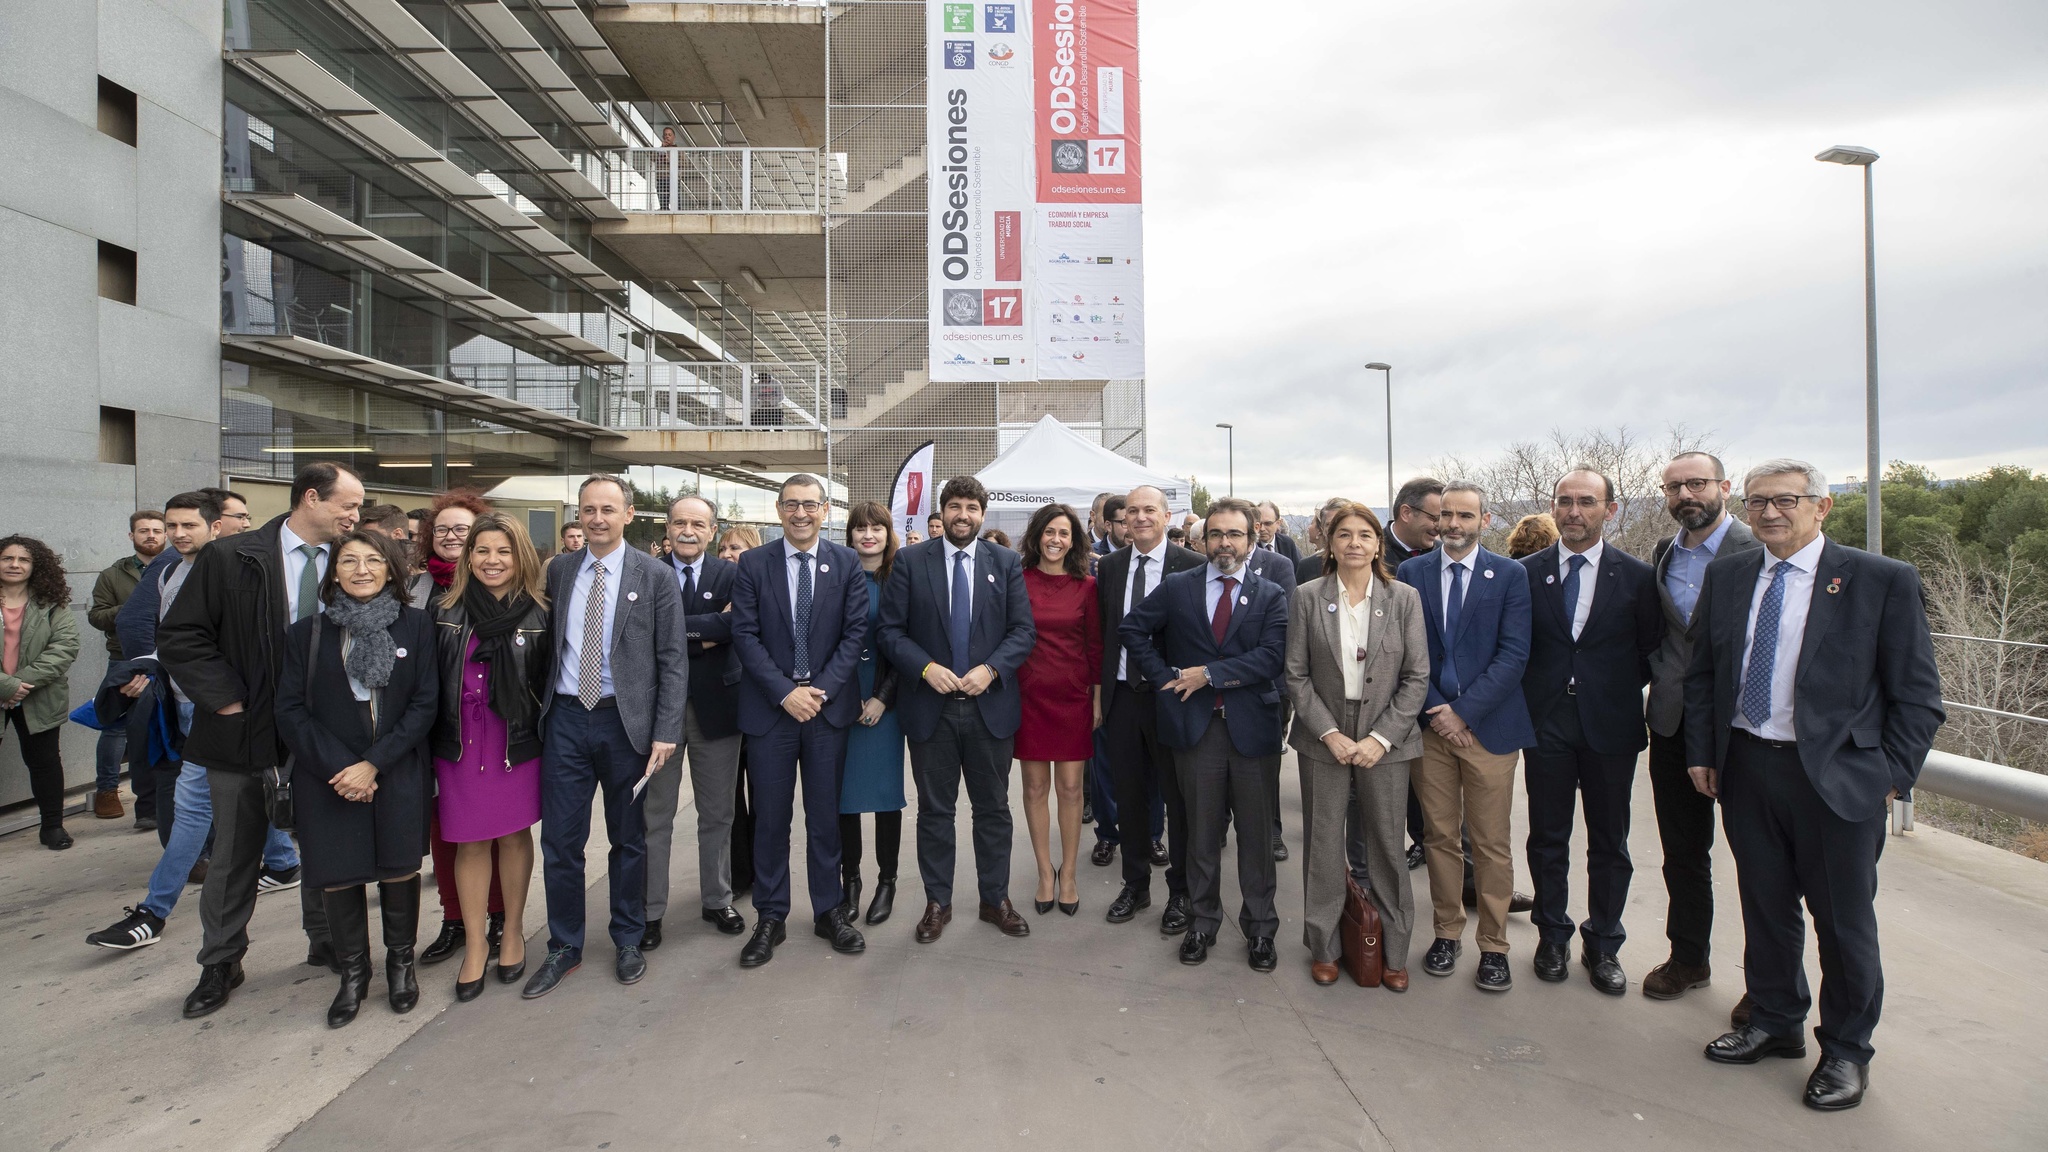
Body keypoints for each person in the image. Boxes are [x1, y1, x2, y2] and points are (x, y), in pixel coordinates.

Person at [1687, 460, 1942, 1111]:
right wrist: (1702, 751)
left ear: (1822, 507)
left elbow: (1919, 698)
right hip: (1746, 767)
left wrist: (1888, 777)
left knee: (1843, 923)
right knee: (1766, 907)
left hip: (1836, 781)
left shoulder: (1880, 582)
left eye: (1785, 500)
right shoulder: (1730, 575)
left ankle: (1848, 1050)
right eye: (1757, 502)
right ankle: (1775, 1021)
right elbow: (1703, 673)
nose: (1770, 513)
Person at [161, 461, 365, 1018]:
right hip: (240, 733)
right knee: (234, 853)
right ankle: (220, 961)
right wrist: (225, 698)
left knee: (325, 843)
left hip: (324, 733)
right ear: (310, 499)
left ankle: (325, 939)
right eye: (348, 504)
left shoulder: (355, 560)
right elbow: (181, 635)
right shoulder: (232, 556)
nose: (355, 515)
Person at [90, 492, 300, 951]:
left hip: (229, 713)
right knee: (241, 794)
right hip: (187, 708)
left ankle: (153, 911)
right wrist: (146, 668)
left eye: (190, 526)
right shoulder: (166, 571)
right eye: (172, 526)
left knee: (193, 808)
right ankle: (283, 863)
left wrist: (227, 704)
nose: (179, 535)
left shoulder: (242, 569)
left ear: (217, 527)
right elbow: (158, 631)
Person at [523, 475, 686, 998]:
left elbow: (672, 659)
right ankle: (563, 945)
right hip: (567, 719)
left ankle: (628, 938)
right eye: (588, 509)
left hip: (627, 724)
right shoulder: (560, 570)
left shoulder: (655, 575)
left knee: (627, 838)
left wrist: (665, 731)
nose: (597, 518)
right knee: (561, 841)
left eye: (608, 510)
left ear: (629, 515)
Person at [275, 530, 438, 1027]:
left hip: (396, 768)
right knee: (339, 874)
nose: (361, 569)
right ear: (334, 572)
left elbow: (424, 703)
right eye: (349, 561)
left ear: (392, 569)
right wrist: (342, 769)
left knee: (397, 867)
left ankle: (400, 965)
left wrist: (375, 763)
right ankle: (352, 973)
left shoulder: (416, 626)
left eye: (373, 560)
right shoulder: (307, 634)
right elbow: (290, 710)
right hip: (329, 776)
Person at [1119, 498, 1289, 969]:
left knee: (1256, 839)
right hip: (1195, 731)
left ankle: (1259, 930)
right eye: (1216, 534)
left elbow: (1272, 658)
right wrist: (1165, 677)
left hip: (1252, 731)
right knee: (1199, 836)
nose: (1224, 543)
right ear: (1202, 539)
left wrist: (1207, 675)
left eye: (1234, 535)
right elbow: (1132, 629)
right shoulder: (1178, 587)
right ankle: (1201, 922)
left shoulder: (1270, 593)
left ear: (1251, 541)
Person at [1518, 468, 1663, 995]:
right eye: (1565, 501)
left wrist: (1603, 688)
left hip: (1610, 726)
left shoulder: (1640, 577)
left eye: (1586, 502)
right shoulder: (1526, 573)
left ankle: (1603, 944)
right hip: (1547, 723)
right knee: (1548, 836)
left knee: (1610, 842)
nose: (1574, 511)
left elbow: (1649, 651)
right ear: (1552, 507)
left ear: (1610, 509)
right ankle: (1551, 936)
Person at [878, 476, 1037, 943]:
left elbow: (1023, 632)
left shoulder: (1005, 562)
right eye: (954, 506)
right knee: (935, 813)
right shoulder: (908, 562)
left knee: (993, 810)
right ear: (941, 511)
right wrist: (926, 669)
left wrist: (992, 669)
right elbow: (889, 632)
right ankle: (937, 903)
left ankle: (996, 900)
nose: (962, 515)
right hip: (932, 710)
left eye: (971, 507)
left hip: (991, 708)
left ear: (982, 514)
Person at [1396, 481, 1533, 993]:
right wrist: (1438, 711)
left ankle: (1494, 946)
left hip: (1489, 730)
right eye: (1445, 515)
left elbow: (1514, 654)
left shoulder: (1511, 575)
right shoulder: (1411, 572)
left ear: (1485, 519)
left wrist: (1465, 713)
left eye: (1465, 516)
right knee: (1439, 838)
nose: (1453, 524)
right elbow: (1410, 653)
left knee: (1492, 844)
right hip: (1430, 727)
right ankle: (1447, 933)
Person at [1285, 501, 1429, 989]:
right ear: (1330, 543)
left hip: (1386, 736)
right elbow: (1296, 675)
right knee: (1323, 844)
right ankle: (1324, 946)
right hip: (1323, 732)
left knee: (1388, 844)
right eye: (1343, 534)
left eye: (1364, 535)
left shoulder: (1404, 597)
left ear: (1378, 544)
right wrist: (1330, 733)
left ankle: (1393, 952)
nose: (1353, 543)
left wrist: (1380, 738)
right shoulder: (1307, 596)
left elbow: (1416, 677)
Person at [729, 474, 868, 965]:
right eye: (792, 505)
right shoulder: (752, 563)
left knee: (825, 817)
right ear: (778, 509)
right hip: (772, 713)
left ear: (825, 510)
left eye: (810, 505)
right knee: (770, 818)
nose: (801, 513)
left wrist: (818, 692)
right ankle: (771, 916)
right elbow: (744, 635)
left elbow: (855, 634)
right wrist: (786, 693)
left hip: (826, 712)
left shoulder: (846, 562)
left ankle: (829, 910)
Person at [1644, 452, 1759, 1005]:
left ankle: (1767, 988)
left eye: (1697, 483)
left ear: (1724, 486)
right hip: (1671, 724)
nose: (1685, 494)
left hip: (1739, 728)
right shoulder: (1664, 552)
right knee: (1683, 854)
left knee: (1761, 864)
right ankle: (1688, 958)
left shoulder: (1759, 550)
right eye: (1674, 487)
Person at [430, 513, 549, 1001]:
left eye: (503, 551)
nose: (492, 561)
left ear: (519, 556)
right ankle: (476, 944)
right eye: (482, 551)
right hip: (459, 743)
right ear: (468, 557)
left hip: (515, 741)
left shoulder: (541, 612)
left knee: (515, 837)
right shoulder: (443, 611)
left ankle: (514, 931)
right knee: (469, 843)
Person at [1096, 484, 1205, 932]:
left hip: (1173, 698)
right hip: (1123, 697)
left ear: (1166, 516)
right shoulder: (1110, 567)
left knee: (1177, 800)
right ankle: (1135, 884)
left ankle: (1179, 893)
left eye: (1149, 510)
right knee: (1130, 795)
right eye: (1132, 511)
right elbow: (1106, 633)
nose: (1139, 517)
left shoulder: (1192, 566)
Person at [643, 495, 748, 948]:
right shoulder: (645, 572)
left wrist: (676, 634)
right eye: (680, 523)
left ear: (711, 530)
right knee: (655, 815)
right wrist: (704, 633)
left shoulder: (734, 574)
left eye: (698, 524)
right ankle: (649, 912)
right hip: (655, 713)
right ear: (667, 529)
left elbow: (738, 628)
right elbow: (642, 633)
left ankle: (717, 899)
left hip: (717, 711)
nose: (688, 530)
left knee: (718, 813)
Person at [408, 490, 507, 969]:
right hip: (434, 728)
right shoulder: (414, 588)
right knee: (445, 829)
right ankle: (454, 919)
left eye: (462, 529)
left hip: (491, 730)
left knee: (495, 829)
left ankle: (499, 918)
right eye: (442, 529)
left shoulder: (498, 588)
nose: (451, 537)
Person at [1015, 502, 1101, 916]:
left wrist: (1098, 698)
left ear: (1074, 540)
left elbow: (1096, 645)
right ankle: (1044, 872)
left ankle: (1068, 873)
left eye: (1063, 533)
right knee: (1034, 790)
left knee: (1070, 789)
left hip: (1073, 698)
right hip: (1028, 697)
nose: (1055, 539)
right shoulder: (1019, 580)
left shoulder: (1087, 586)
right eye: (1049, 532)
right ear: (1037, 536)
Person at [839, 502, 907, 924]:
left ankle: (887, 882)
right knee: (844, 798)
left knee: (885, 797)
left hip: (889, 700)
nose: (868, 535)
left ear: (888, 533)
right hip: (842, 698)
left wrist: (883, 697)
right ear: (849, 535)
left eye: (876, 528)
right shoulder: (838, 576)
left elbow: (909, 644)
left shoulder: (902, 577)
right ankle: (851, 883)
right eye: (860, 528)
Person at [0, 536, 81, 849]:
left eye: (23, 560)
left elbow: (65, 647)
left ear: (36, 567)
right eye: (8, 558)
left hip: (37, 694)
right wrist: (6, 685)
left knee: (45, 763)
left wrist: (18, 684)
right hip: (12, 689)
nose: (15, 565)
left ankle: (52, 827)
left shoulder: (51, 604)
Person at [87, 510, 166, 823]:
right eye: (143, 530)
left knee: (155, 726)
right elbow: (97, 616)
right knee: (116, 726)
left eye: (157, 530)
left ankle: (150, 803)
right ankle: (107, 790)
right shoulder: (113, 574)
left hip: (164, 658)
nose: (151, 535)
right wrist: (137, 605)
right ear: (131, 536)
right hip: (124, 658)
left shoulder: (177, 566)